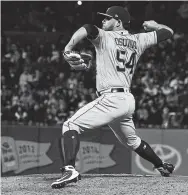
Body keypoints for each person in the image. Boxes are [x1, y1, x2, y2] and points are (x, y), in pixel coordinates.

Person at [51, 6, 175, 189]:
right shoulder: (138, 39)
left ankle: (69, 170)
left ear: (118, 22)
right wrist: (155, 25)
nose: (103, 21)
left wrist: (68, 48)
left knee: (70, 125)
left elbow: (87, 28)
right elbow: (168, 32)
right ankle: (161, 166)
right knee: (133, 141)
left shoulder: (105, 36)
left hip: (111, 98)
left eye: (107, 18)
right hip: (126, 99)